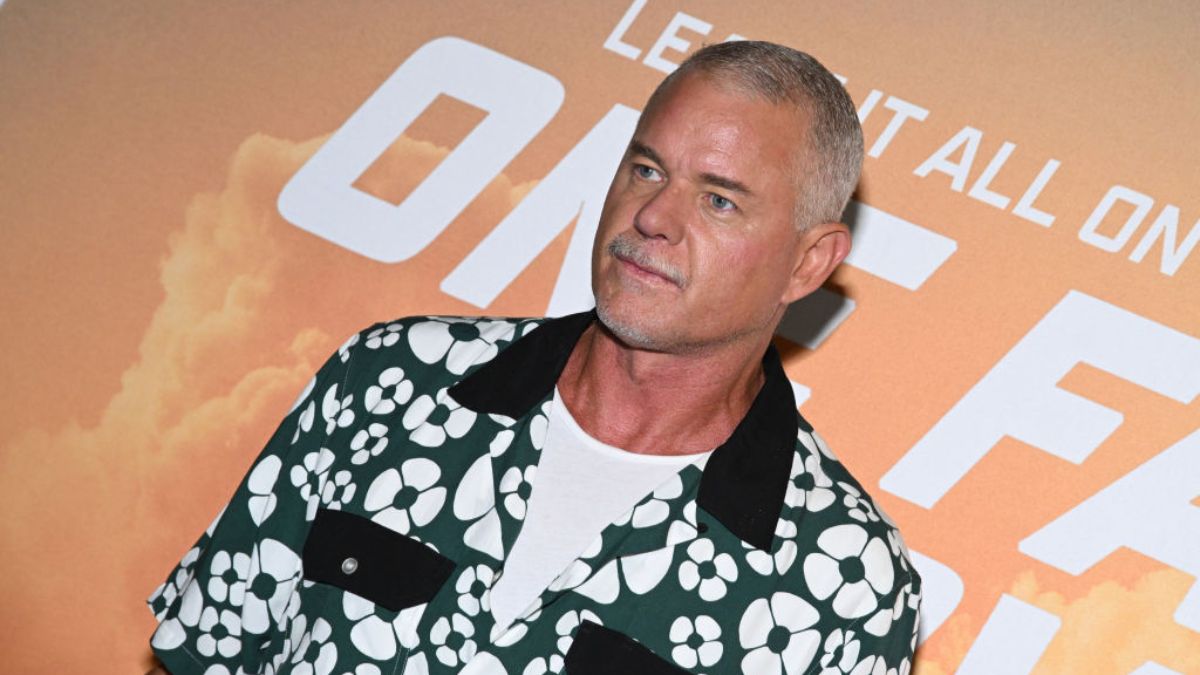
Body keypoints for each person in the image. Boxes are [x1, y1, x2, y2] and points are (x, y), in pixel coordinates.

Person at [147, 40, 920, 675]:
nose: (653, 215)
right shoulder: (392, 379)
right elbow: (204, 651)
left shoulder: (844, 578)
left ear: (808, 264)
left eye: (719, 200)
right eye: (647, 170)